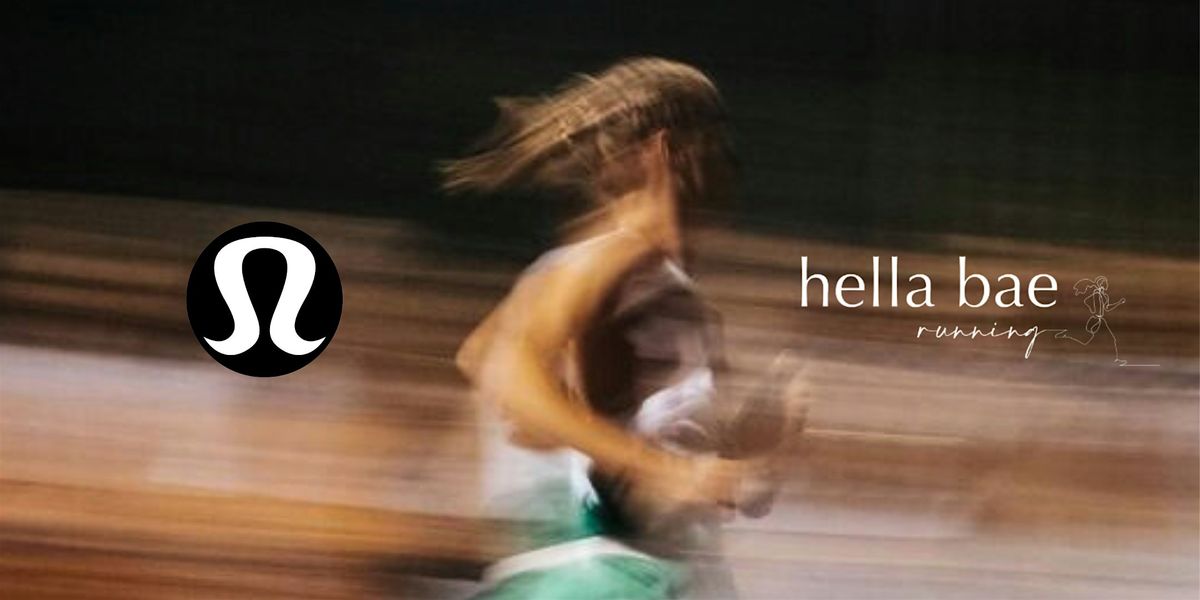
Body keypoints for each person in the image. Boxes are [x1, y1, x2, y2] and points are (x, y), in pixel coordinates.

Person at [443, 57, 808, 599]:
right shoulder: (621, 258)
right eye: (722, 146)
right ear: (668, 151)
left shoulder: (667, 291)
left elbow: (480, 355)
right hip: (605, 577)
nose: (735, 167)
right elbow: (505, 370)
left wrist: (752, 444)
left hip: (627, 572)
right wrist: (655, 468)